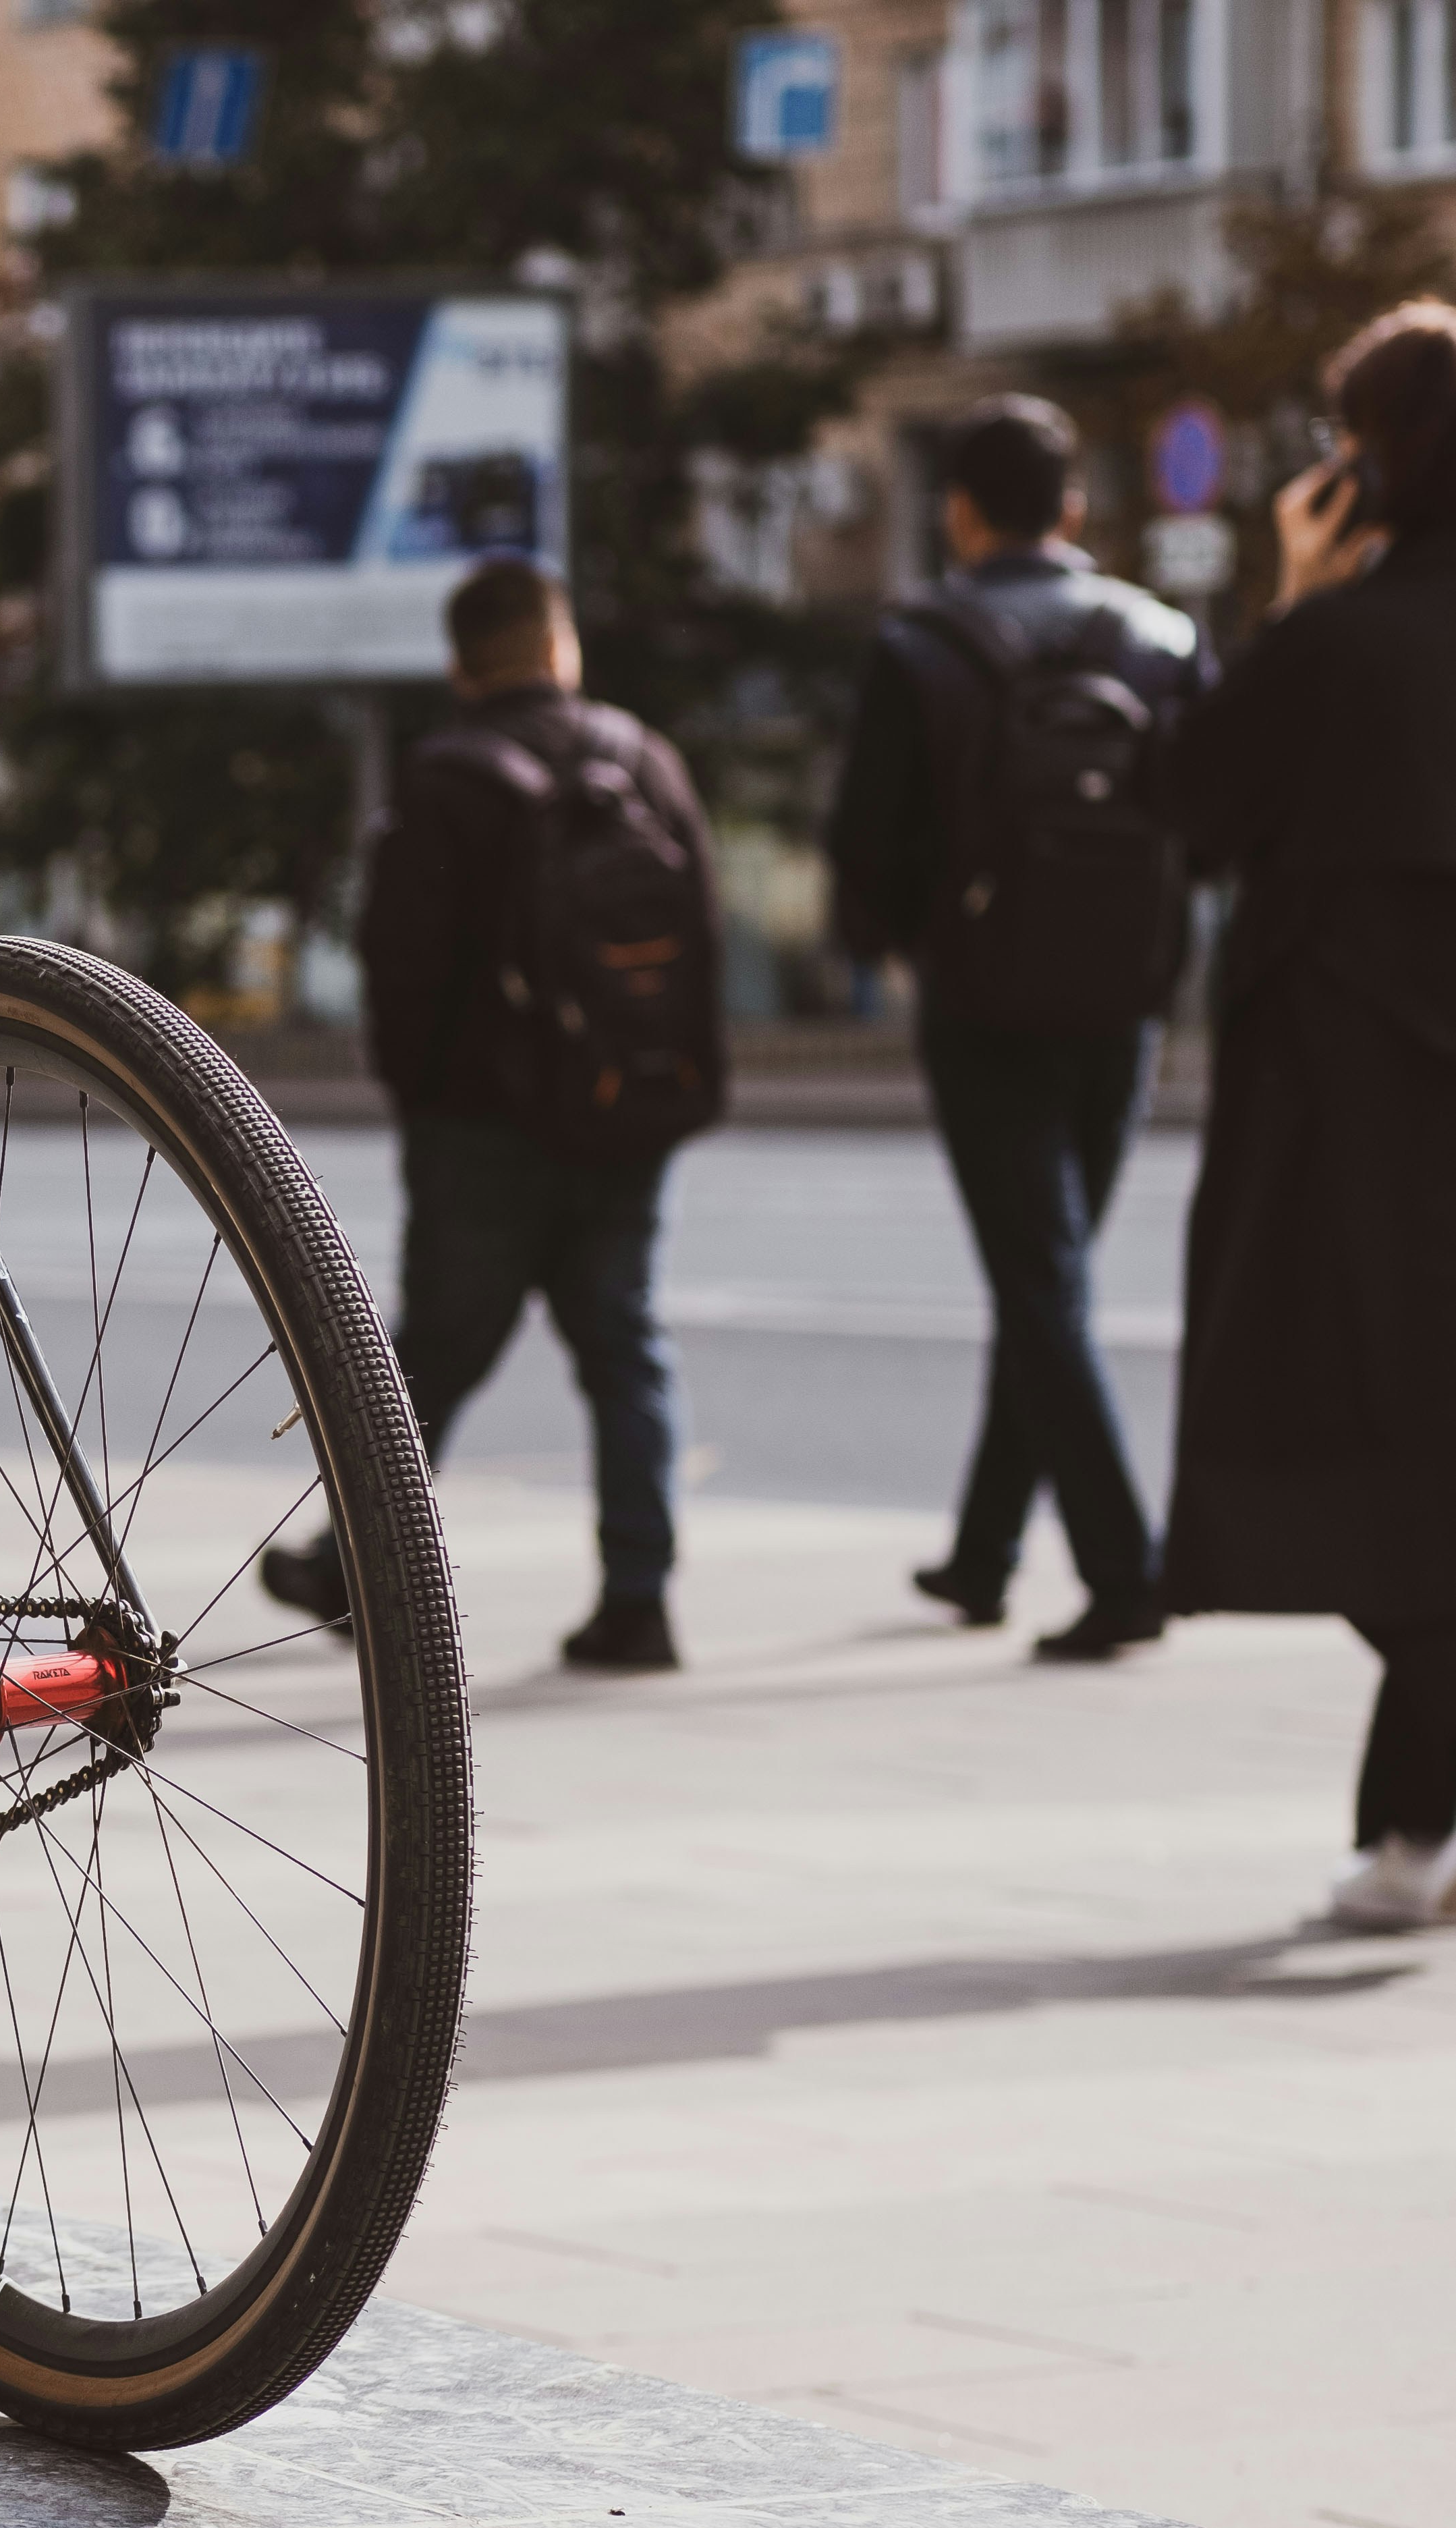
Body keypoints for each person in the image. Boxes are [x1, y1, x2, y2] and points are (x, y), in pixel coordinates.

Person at [266, 557, 724, 1671]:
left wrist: (426, 1101)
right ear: (559, 646)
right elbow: (701, 933)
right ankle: (638, 1597)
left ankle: (353, 1570)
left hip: (481, 1125)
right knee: (624, 1351)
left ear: (460, 664)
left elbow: (403, 971)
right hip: (623, 1115)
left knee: (426, 1359)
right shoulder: (643, 759)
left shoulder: (446, 781)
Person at [824, 395, 1210, 1662]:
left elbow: (867, 841)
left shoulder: (920, 641)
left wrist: (881, 942)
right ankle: (984, 1552)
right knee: (1043, 1272)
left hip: (984, 999)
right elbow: (1205, 815)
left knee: (1037, 1279)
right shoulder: (1159, 636)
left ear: (960, 510)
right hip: (1123, 1001)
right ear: (1078, 505)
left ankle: (1123, 1572)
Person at [1167, 302, 1456, 1929]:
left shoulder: (1343, 645)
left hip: (1360, 1125)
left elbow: (1191, 796)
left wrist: (1288, 597)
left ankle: (1414, 1837)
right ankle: (1413, 1833)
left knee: (1354, 1465)